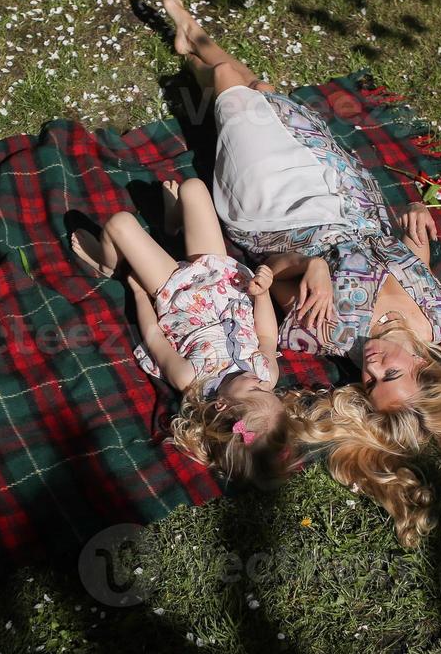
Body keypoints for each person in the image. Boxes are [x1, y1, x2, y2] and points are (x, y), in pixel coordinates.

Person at [157, 0, 441, 544]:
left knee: (233, 87)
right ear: (426, 368)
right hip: (346, 192)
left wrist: (311, 262)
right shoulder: (439, 319)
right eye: (389, 372)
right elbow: (401, 257)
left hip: (276, 210)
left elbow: (268, 272)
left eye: (369, 381)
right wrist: (419, 234)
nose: (370, 365)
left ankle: (194, 38)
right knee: (260, 90)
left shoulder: (333, 330)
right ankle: (194, 50)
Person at [71, 177, 299, 489]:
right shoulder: (266, 375)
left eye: (255, 390)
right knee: (194, 188)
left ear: (222, 405)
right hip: (222, 278)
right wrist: (261, 294)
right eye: (270, 392)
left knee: (120, 224)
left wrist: (137, 291)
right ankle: (173, 221)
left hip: (177, 290)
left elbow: (153, 337)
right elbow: (267, 337)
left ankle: (107, 264)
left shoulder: (190, 377)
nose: (264, 383)